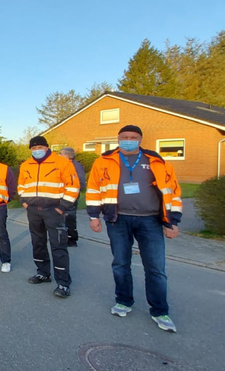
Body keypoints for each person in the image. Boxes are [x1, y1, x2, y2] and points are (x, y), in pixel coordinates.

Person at [87, 125, 182, 333]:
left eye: (133, 137)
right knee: (120, 263)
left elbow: (172, 191)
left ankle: (160, 310)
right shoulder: (103, 161)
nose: (128, 140)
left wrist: (172, 221)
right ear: (118, 139)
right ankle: (123, 301)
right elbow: (94, 189)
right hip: (117, 219)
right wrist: (94, 216)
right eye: (124, 137)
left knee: (156, 268)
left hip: (150, 221)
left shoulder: (156, 161)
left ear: (140, 139)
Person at [18, 136, 80, 298]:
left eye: (39, 147)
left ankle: (63, 283)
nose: (36, 150)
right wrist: (24, 202)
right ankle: (43, 273)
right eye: (33, 148)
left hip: (54, 211)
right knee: (37, 243)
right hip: (33, 211)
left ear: (47, 147)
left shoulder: (61, 162)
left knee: (58, 246)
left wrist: (62, 208)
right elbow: (21, 186)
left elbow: (73, 187)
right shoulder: (26, 165)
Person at [59, 147, 86, 247]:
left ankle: (71, 239)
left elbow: (81, 182)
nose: (59, 155)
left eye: (60, 153)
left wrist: (74, 192)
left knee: (69, 217)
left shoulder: (76, 166)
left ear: (67, 155)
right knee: (62, 217)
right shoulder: (63, 165)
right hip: (62, 195)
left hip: (71, 196)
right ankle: (62, 237)